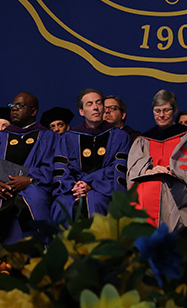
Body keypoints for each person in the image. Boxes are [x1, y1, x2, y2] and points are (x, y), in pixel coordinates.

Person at [0, 92, 57, 243]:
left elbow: (50, 168)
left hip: (30, 186)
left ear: (33, 111)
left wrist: (29, 180)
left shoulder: (47, 137)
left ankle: (38, 256)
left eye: (20, 106)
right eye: (12, 105)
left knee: (35, 199)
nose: (14, 109)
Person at [51, 89, 131, 223]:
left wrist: (90, 183)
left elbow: (117, 169)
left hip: (104, 189)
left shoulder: (119, 136)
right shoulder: (68, 138)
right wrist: (75, 186)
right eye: (89, 104)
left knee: (97, 201)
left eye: (98, 103)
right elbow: (62, 169)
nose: (95, 107)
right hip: (73, 190)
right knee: (62, 204)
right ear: (81, 111)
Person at [127, 90, 187, 233]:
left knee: (163, 189)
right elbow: (134, 167)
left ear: (175, 111)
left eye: (166, 110)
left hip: (176, 185)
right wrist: (149, 170)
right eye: (157, 111)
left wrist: (170, 170)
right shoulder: (143, 140)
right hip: (147, 185)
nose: (161, 115)